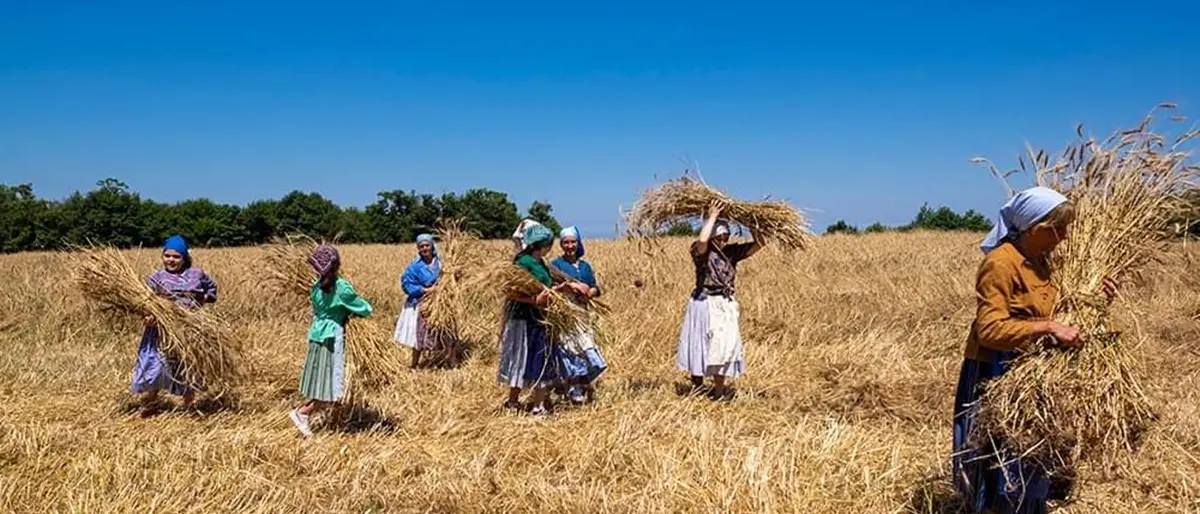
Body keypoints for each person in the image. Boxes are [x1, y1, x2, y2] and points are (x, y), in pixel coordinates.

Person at [952, 187, 1117, 513]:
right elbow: (989, 331)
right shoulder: (1001, 264)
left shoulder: (1046, 262)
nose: (1065, 237)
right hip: (996, 371)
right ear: (1032, 228)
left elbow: (1065, 308)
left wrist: (1101, 298)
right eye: (1057, 229)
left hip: (1035, 369)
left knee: (1033, 452)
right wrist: (1048, 327)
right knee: (997, 456)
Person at [675, 200, 763, 400]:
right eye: (721, 235)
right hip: (704, 303)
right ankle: (697, 386)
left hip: (724, 304)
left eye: (726, 234)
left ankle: (719, 391)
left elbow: (760, 244)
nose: (725, 238)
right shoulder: (701, 252)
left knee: (724, 346)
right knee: (700, 344)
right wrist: (713, 216)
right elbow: (703, 241)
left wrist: (750, 220)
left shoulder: (732, 253)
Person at [289, 244, 373, 437]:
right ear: (336, 265)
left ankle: (338, 421)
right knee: (332, 382)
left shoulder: (315, 287)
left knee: (322, 379)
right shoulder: (341, 287)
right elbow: (363, 308)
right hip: (332, 335)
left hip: (317, 333)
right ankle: (302, 413)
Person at [131, 235, 217, 415]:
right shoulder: (156, 278)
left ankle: (189, 405)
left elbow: (211, 287)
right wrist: (148, 317)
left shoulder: (196, 274)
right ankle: (151, 402)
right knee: (158, 365)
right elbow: (145, 303)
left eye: (176, 256)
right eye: (167, 255)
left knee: (187, 365)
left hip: (189, 328)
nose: (171, 260)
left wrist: (205, 298)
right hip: (162, 331)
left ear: (185, 258)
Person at [496, 222, 573, 415]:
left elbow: (543, 288)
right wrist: (533, 300)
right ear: (544, 245)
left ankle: (517, 402)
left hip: (540, 318)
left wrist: (557, 291)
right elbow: (509, 291)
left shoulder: (539, 263)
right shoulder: (523, 262)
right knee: (531, 359)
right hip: (525, 320)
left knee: (530, 359)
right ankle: (536, 406)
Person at [551, 226, 608, 405]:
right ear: (561, 244)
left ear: (578, 243)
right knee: (570, 348)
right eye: (566, 242)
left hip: (583, 314)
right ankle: (572, 388)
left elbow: (596, 287)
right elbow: (550, 289)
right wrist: (568, 288)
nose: (570, 246)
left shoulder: (585, 266)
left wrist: (591, 291)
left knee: (587, 349)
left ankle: (583, 385)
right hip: (566, 313)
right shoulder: (556, 265)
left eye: (572, 242)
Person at [394, 233, 458, 369]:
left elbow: (452, 280)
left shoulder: (442, 264)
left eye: (427, 245)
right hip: (423, 304)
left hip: (442, 304)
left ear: (432, 246)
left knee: (448, 333)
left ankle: (452, 362)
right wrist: (425, 290)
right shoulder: (415, 266)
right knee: (420, 335)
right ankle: (415, 365)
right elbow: (406, 284)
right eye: (421, 246)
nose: (424, 248)